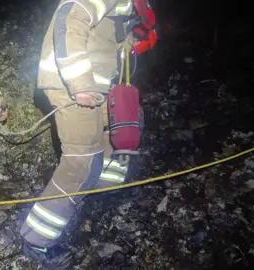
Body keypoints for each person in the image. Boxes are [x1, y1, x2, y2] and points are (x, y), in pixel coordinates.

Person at [19, 0, 157, 268]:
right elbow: (71, 19)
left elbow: (109, 38)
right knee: (82, 163)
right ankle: (35, 240)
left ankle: (106, 188)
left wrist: (133, 40)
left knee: (124, 128)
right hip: (74, 86)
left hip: (100, 86)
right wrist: (79, 83)